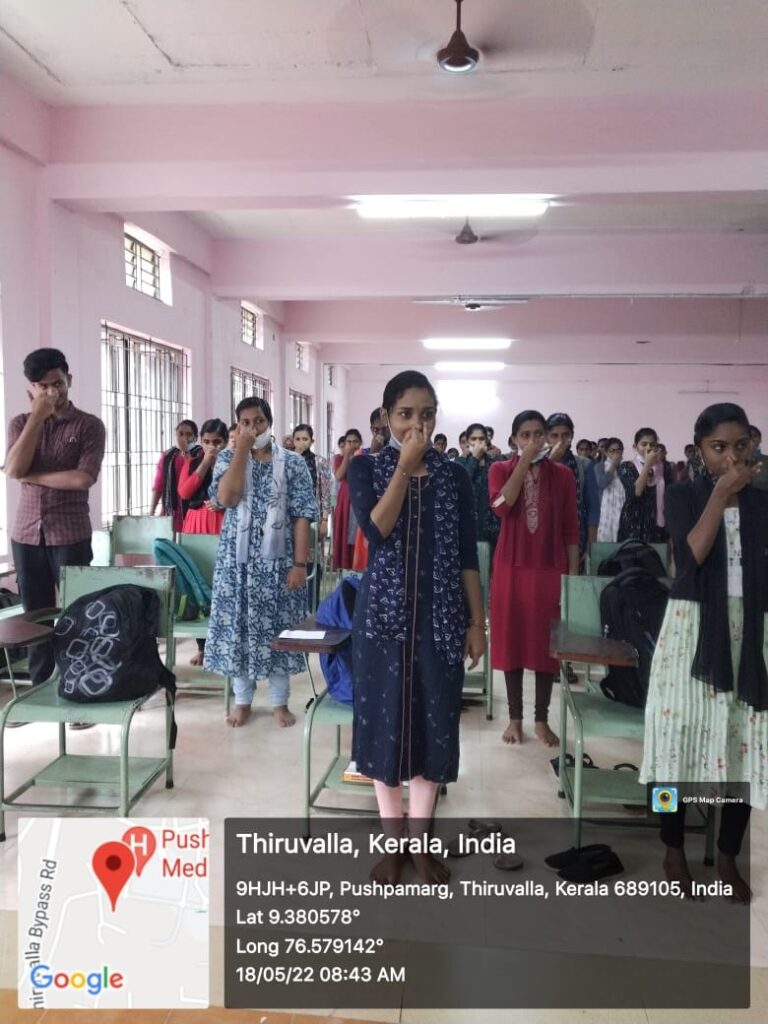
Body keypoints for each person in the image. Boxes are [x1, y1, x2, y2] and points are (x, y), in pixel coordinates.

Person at [348, 371, 484, 884]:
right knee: (384, 729)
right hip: (383, 621)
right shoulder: (365, 468)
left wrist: (478, 622)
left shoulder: (455, 477)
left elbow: (467, 556)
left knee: (434, 727)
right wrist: (404, 468)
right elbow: (377, 529)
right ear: (387, 417)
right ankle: (393, 844)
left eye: (426, 414)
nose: (416, 425)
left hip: (441, 619)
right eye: (405, 414)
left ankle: (421, 843)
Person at [640, 403, 767, 904]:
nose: (732, 457)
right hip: (691, 627)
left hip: (750, 631)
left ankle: (728, 854)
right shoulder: (685, 495)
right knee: (675, 742)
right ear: (699, 451)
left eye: (741, 446)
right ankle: (672, 847)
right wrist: (719, 495)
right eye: (719, 447)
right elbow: (691, 557)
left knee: (744, 743)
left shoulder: (763, 503)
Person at [203, 397, 318, 728]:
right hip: (236, 565)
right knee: (240, 629)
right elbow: (226, 498)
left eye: (259, 421)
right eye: (245, 422)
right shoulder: (227, 458)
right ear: (237, 426)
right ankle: (243, 700)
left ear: (270, 422)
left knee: (279, 630)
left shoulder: (293, 463)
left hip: (279, 563)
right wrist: (241, 451)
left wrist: (300, 565)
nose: (253, 428)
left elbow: (302, 516)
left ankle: (280, 702)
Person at [4, 348, 106, 700]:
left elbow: (83, 479)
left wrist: (32, 476)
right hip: (26, 534)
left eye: (58, 384)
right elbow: (13, 469)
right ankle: (40, 693)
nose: (52, 392)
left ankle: (79, 690)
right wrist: (37, 417)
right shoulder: (20, 423)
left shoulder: (89, 425)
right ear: (32, 388)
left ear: (69, 380)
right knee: (35, 617)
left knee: (77, 614)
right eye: (43, 386)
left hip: (70, 533)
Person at [489, 410, 579, 747]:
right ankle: (515, 719)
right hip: (510, 568)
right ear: (514, 439)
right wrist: (524, 461)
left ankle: (542, 720)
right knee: (511, 641)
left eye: (538, 434)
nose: (532, 440)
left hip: (550, 569)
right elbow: (501, 506)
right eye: (525, 435)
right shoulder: (499, 469)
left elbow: (571, 528)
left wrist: (571, 577)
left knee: (546, 647)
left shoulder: (563, 475)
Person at [546, 412, 600, 558]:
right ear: (546, 437)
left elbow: (593, 508)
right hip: (542, 536)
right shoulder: (536, 464)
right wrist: (551, 462)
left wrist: (590, 546)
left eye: (565, 435)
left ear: (571, 436)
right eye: (554, 436)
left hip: (576, 539)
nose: (560, 440)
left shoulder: (584, 465)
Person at [292, 422, 332, 607]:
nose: (301, 442)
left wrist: (324, 521)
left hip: (313, 520)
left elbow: (325, 494)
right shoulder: (287, 461)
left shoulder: (320, 462)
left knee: (312, 561)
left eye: (305, 439)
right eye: (298, 439)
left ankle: (312, 605)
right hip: (290, 519)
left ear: (312, 441)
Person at [456, 423, 502, 558]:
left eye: (481, 439)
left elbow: (500, 496)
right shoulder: (460, 463)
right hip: (468, 527)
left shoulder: (495, 464)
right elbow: (461, 485)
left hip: (491, 529)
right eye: (473, 439)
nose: (477, 442)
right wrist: (475, 459)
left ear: (487, 441)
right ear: (468, 441)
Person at [177, 418, 229, 535]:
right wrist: (205, 463)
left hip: (224, 522)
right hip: (196, 522)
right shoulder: (192, 463)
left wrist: (224, 503)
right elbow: (184, 493)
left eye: (217, 442)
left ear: (226, 442)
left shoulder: (234, 464)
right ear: (201, 442)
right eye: (206, 442)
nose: (211, 446)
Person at [617, 427, 667, 543]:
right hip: (633, 523)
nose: (648, 448)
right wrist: (648, 463)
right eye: (644, 444)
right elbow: (637, 492)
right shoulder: (627, 466)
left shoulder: (660, 467)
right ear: (635, 447)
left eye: (652, 445)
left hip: (654, 523)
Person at [150, 419, 200, 532]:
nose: (184, 438)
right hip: (170, 512)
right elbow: (158, 486)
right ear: (175, 436)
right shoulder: (167, 457)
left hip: (193, 511)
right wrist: (151, 512)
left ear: (195, 438)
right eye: (180, 434)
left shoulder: (200, 456)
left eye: (189, 435)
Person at [332, 428, 362, 570]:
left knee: (358, 533)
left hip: (360, 497)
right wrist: (347, 457)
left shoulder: (364, 457)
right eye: (349, 442)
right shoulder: (339, 458)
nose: (352, 445)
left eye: (355, 441)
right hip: (345, 499)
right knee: (345, 532)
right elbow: (339, 476)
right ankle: (345, 570)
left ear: (360, 443)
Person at [594, 437, 625, 542]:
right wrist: (613, 465)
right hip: (606, 509)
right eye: (612, 450)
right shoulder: (599, 466)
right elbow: (602, 483)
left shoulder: (626, 466)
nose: (616, 453)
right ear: (606, 452)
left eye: (619, 450)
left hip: (623, 505)